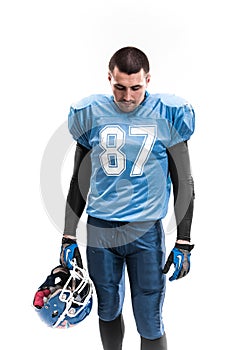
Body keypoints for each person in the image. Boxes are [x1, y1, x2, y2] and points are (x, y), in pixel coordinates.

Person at [60, 47, 195, 350]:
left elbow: (183, 182)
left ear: (148, 80)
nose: (128, 96)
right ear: (109, 79)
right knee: (107, 308)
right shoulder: (91, 113)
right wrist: (68, 235)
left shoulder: (168, 113)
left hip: (145, 231)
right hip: (100, 231)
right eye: (119, 87)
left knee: (149, 317)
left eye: (136, 88)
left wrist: (184, 240)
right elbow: (78, 181)